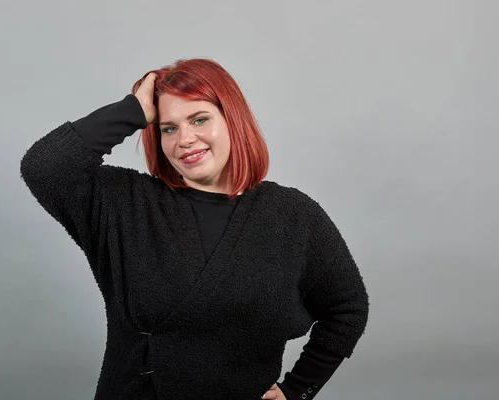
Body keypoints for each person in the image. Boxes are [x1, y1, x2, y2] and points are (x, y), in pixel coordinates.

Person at [20, 58, 369, 400]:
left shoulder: (294, 216)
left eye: (199, 119)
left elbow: (347, 308)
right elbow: (45, 166)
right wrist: (134, 109)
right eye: (169, 127)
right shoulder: (126, 204)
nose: (184, 139)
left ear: (233, 119)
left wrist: (296, 390)